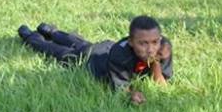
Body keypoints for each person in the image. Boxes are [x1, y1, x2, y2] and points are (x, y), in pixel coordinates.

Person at [17, 15, 173, 105]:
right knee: (60, 52)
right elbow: (122, 89)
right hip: (92, 59)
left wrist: (156, 62)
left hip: (105, 47)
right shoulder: (120, 55)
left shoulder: (163, 47)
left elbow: (160, 84)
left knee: (78, 41)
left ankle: (50, 30)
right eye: (143, 43)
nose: (151, 49)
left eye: (154, 42)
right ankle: (30, 36)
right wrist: (132, 94)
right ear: (131, 42)